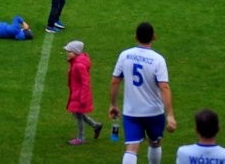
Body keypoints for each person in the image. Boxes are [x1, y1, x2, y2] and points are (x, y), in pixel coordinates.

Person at [108, 22, 177, 164]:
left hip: (131, 112)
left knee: (131, 147)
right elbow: (164, 87)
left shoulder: (125, 55)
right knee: (155, 143)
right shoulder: (158, 60)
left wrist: (113, 104)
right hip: (154, 112)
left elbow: (115, 81)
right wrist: (170, 114)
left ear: (136, 37)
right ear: (154, 37)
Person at [65, 40, 103, 145]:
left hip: (79, 94)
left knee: (78, 115)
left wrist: (83, 98)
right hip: (76, 93)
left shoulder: (79, 65)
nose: (67, 53)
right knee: (77, 113)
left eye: (69, 51)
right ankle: (95, 125)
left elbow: (85, 83)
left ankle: (81, 138)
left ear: (76, 52)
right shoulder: (75, 62)